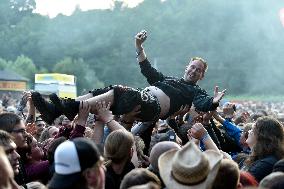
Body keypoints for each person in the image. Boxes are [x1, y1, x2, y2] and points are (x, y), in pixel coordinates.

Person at [30, 30, 226, 125]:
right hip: (143, 98)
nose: (193, 71)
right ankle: (55, 110)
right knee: (102, 91)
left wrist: (214, 102)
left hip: (152, 108)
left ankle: (69, 107)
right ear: (187, 66)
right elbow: (148, 70)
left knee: (121, 90)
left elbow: (204, 102)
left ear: (201, 76)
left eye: (198, 70)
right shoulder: (169, 79)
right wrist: (139, 46)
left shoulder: (196, 91)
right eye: (192, 66)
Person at [241, 116, 284, 182]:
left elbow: (241, 183)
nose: (249, 132)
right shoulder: (262, 158)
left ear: (262, 136)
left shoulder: (265, 164)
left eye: (252, 129)